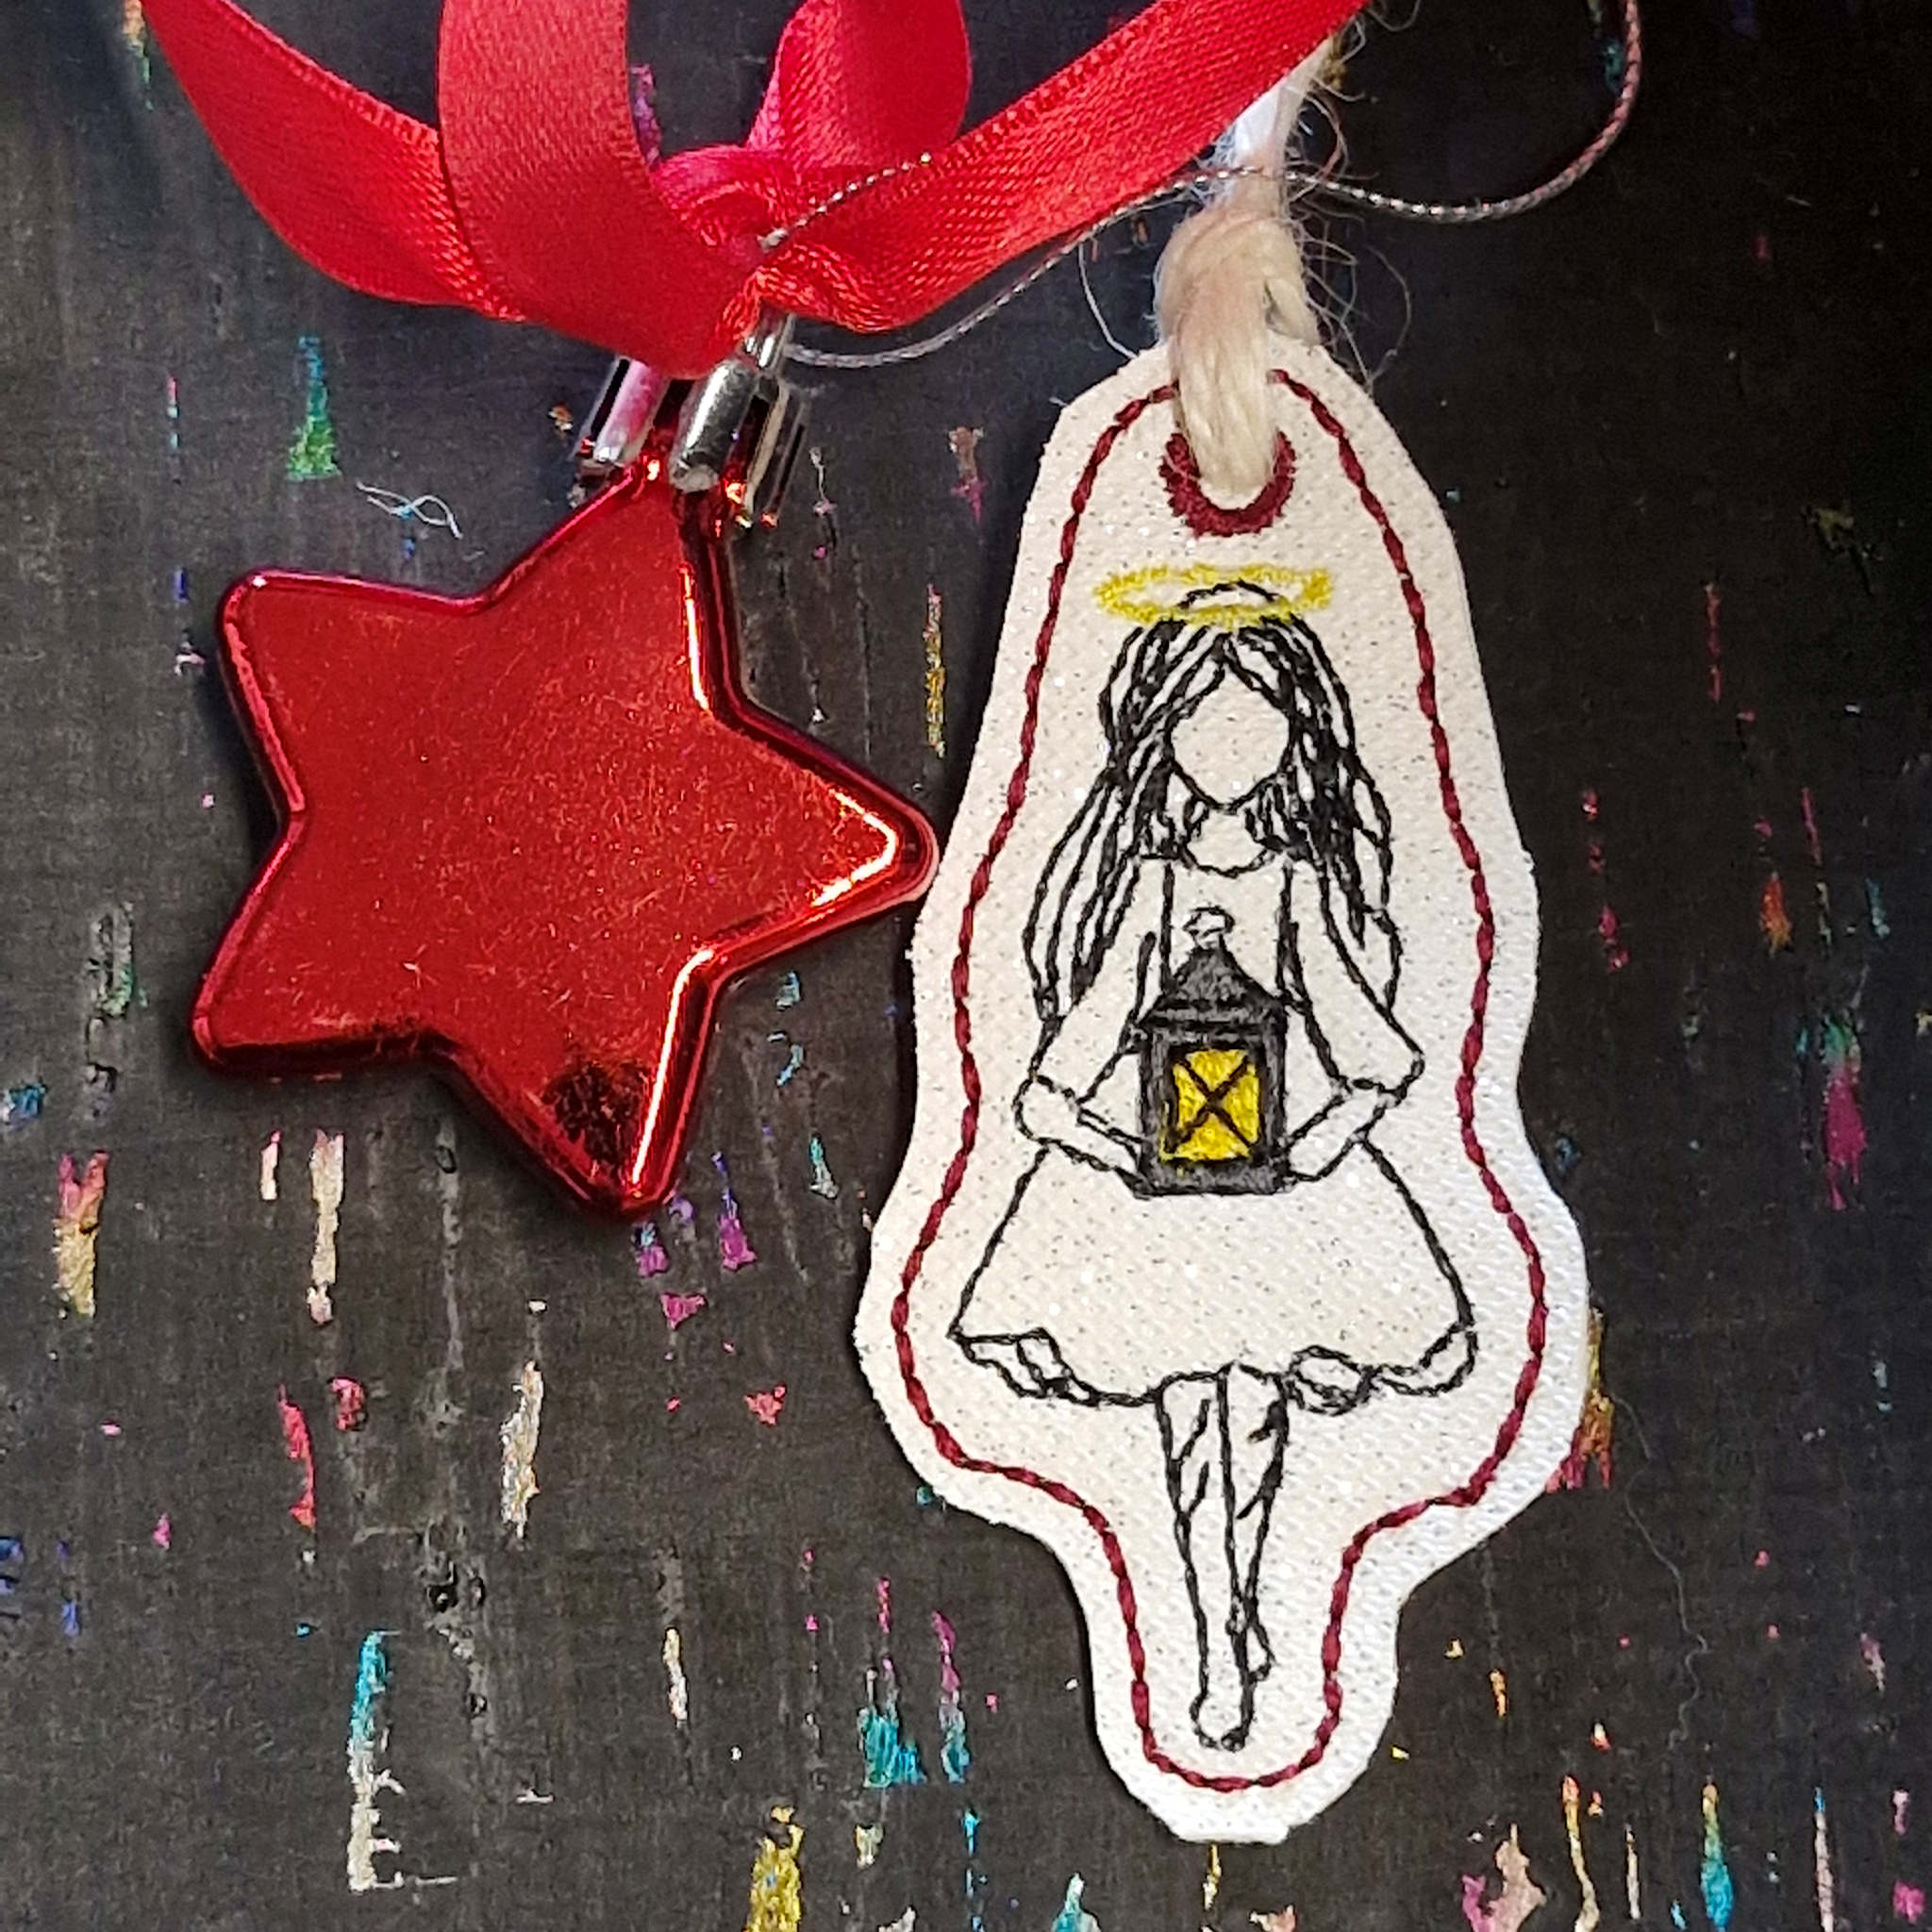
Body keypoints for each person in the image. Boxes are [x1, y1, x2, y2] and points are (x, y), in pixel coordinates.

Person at [951, 579, 1474, 1751]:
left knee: (1255, 1414)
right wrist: (1111, 1141)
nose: (1228, 738)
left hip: (1280, 1195)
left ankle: (1233, 1614)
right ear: (1162, 729)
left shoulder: (1294, 885)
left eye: (1254, 714)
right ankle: (1217, 1637)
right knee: (1193, 1413)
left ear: (1296, 728)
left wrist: (1321, 1135)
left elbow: (1371, 1051)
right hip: (1162, 1205)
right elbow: (1067, 1061)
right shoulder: (1147, 883)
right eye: (1201, 713)